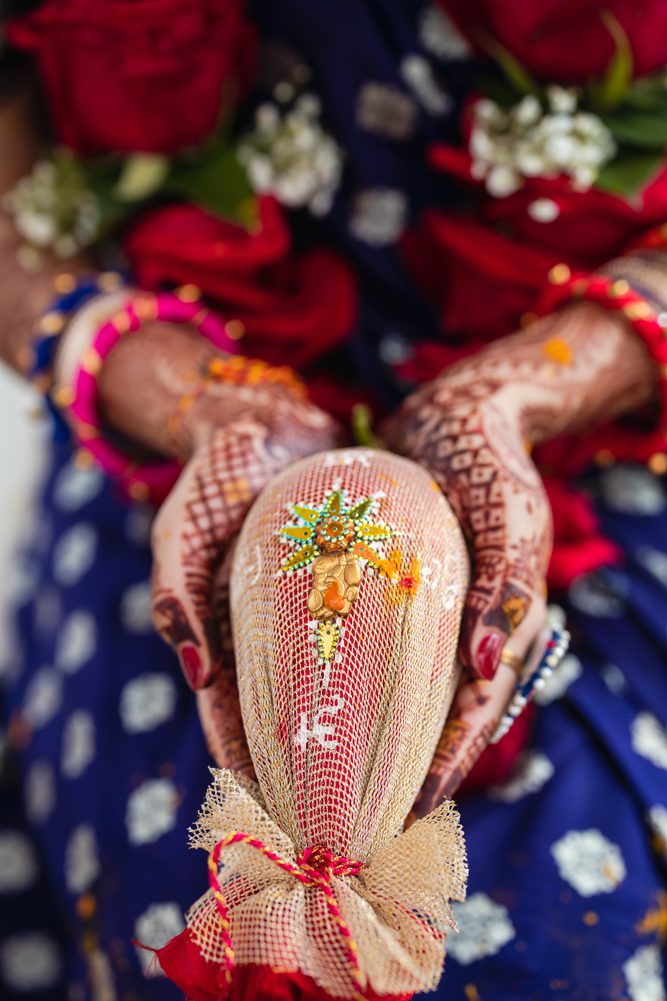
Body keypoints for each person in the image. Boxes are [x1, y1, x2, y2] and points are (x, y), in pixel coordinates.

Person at [0, 2, 665, 999]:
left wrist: (523, 391)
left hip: (608, 427)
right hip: (175, 423)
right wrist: (181, 394)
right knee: (164, 904)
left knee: (568, 936)